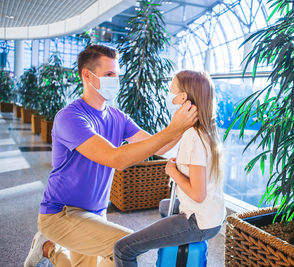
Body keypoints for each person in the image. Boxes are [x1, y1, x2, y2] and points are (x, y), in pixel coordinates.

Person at [24, 45, 198, 267]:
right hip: (62, 214)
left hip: (96, 212)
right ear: (87, 75)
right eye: (109, 75)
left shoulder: (117, 117)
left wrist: (188, 119)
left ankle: (48, 249)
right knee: (124, 245)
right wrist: (173, 129)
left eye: (116, 74)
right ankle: (50, 242)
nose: (115, 80)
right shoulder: (70, 117)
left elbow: (159, 146)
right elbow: (116, 158)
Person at [113, 70, 226, 267]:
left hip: (198, 222)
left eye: (172, 89)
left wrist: (173, 172)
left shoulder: (193, 135)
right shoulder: (209, 128)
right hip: (215, 215)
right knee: (165, 206)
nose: (169, 93)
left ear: (184, 97)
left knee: (123, 248)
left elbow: (198, 195)